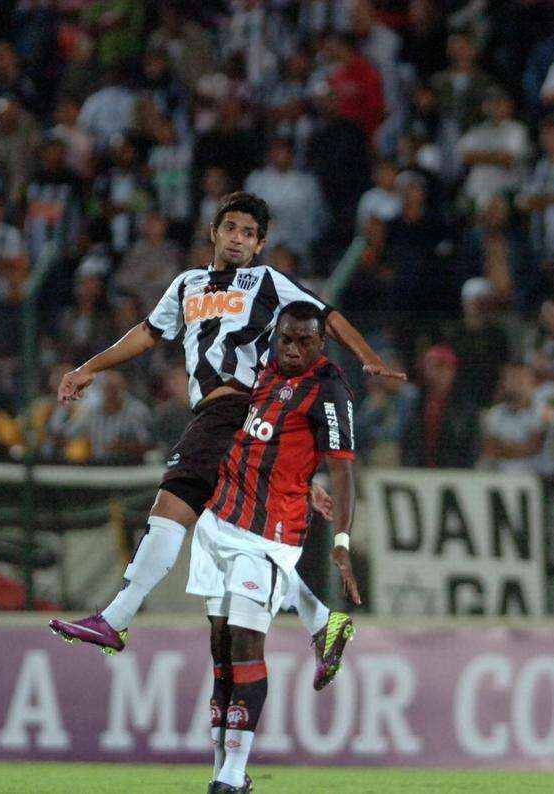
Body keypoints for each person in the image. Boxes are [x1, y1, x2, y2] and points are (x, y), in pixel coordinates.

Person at [48, 192, 402, 675]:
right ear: (214, 231)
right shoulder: (187, 285)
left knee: (171, 508)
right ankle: (322, 620)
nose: (238, 239)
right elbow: (148, 332)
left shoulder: (267, 280)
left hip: (234, 407)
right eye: (231, 228)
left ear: (259, 246)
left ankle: (117, 618)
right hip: (234, 424)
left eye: (249, 234)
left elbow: (327, 315)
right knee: (234, 540)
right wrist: (89, 367)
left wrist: (366, 355)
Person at [186, 301, 361, 794]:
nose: (292, 348)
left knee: (245, 642)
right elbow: (260, 441)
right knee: (221, 652)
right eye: (285, 338)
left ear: (320, 343)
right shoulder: (260, 369)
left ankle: (234, 773)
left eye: (304, 340)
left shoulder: (328, 389)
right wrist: (304, 481)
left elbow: (344, 469)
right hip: (221, 517)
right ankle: (222, 771)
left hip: (271, 531)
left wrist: (342, 543)